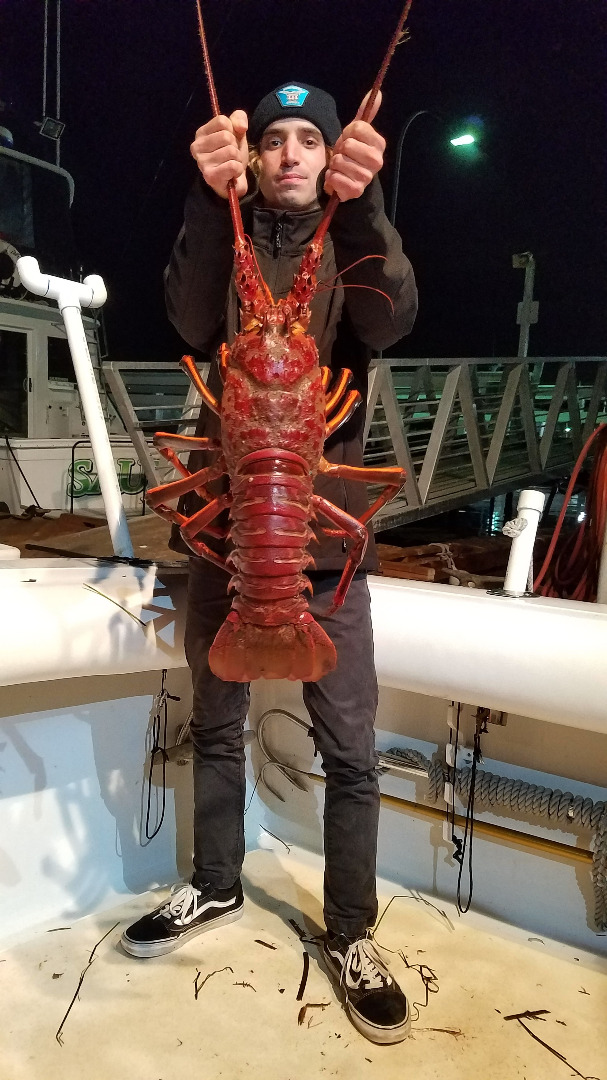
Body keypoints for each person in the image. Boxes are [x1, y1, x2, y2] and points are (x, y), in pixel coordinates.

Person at [122, 82, 417, 1045]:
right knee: (214, 722)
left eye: (310, 140)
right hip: (230, 537)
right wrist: (211, 203)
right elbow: (186, 315)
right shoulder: (229, 229)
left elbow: (384, 323)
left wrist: (366, 203)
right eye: (273, 141)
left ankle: (351, 932)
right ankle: (212, 886)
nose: (291, 154)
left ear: (330, 155)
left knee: (351, 750)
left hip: (320, 549)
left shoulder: (350, 237)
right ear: (249, 158)